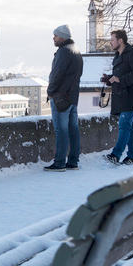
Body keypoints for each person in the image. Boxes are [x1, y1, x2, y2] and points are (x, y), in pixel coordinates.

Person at [101, 29, 133, 165]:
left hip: (130, 96)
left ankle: (116, 154)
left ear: (121, 40)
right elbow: (120, 74)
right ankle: (132, 156)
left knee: (124, 125)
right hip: (120, 96)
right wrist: (109, 79)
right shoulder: (117, 56)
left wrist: (119, 79)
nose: (110, 42)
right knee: (129, 127)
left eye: (112, 39)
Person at [44, 24, 83, 171]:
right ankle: (73, 161)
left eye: (55, 35)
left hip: (61, 97)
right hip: (73, 97)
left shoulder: (63, 52)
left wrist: (50, 91)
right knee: (73, 130)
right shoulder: (76, 51)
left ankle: (59, 162)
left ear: (62, 37)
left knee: (61, 130)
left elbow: (57, 74)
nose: (53, 38)